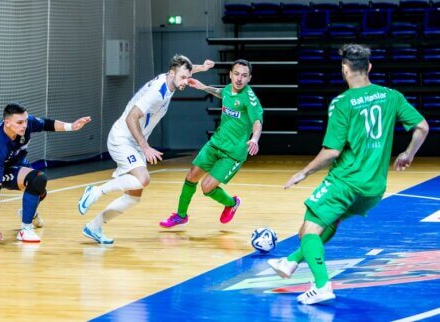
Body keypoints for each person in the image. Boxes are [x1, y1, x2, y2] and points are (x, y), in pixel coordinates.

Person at [268, 44, 429, 305]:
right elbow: (422, 127)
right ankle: (290, 263)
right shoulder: (391, 95)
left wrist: (304, 172)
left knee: (308, 231)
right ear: (369, 67)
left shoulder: (342, 103)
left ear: (344, 69)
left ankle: (322, 286)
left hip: (345, 181)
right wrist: (408, 154)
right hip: (374, 189)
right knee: (329, 223)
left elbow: (331, 151)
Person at [77, 54, 215, 244]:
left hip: (133, 142)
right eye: (183, 78)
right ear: (172, 73)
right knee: (143, 179)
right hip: (123, 138)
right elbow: (131, 118)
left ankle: (93, 227)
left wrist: (202, 68)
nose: (186, 82)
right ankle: (95, 191)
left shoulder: (170, 79)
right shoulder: (157, 93)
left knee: (133, 197)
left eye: (187, 77)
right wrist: (146, 147)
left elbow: (184, 70)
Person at [159, 59, 263, 228]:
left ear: (249, 78)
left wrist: (255, 138)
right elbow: (222, 93)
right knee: (191, 176)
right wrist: (203, 87)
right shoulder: (229, 89)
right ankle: (181, 215)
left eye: (244, 76)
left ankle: (231, 203)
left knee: (206, 187)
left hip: (233, 153)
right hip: (215, 144)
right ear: (230, 74)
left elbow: (257, 121)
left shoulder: (250, 99)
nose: (239, 79)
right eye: (236, 74)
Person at [0, 102, 91, 246]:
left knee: (41, 191)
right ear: (7, 122)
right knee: (38, 179)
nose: (24, 125)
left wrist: (72, 126)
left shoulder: (26, 123)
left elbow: (46, 124)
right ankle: (25, 229)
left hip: (17, 161)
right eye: (19, 122)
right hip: (1, 168)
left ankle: (27, 212)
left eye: (25, 121)